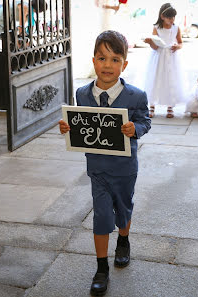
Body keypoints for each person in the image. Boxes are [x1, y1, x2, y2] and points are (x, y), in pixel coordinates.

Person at [58, 30, 151, 296]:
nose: (107, 65)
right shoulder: (82, 94)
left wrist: (137, 128)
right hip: (97, 168)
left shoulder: (136, 96)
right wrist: (68, 128)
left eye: (114, 59)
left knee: (123, 209)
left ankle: (123, 239)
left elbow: (146, 120)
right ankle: (101, 267)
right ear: (93, 60)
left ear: (124, 64)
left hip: (124, 168)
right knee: (101, 216)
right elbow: (82, 125)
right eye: (101, 58)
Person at [142, 2, 187, 118]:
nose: (172, 20)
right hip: (159, 57)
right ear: (162, 17)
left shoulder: (176, 28)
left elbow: (181, 42)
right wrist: (150, 42)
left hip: (172, 57)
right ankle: (152, 106)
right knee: (156, 79)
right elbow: (155, 47)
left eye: (173, 17)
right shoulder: (156, 28)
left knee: (171, 79)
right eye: (169, 17)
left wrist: (178, 46)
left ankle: (170, 106)